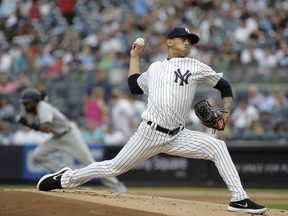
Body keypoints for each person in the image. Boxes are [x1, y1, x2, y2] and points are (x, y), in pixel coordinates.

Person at [37, 27, 266, 214]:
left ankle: (239, 199)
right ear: (169, 42)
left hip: (178, 135)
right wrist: (134, 57)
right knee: (114, 168)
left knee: (218, 146)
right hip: (150, 132)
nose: (187, 43)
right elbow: (134, 86)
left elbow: (224, 85)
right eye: (182, 38)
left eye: (190, 40)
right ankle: (65, 178)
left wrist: (226, 112)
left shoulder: (195, 65)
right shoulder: (155, 68)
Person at [17, 88, 127, 193]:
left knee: (90, 163)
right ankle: (63, 173)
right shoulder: (37, 108)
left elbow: (46, 128)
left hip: (69, 135)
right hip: (56, 137)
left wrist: (29, 125)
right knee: (37, 155)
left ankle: (118, 188)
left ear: (34, 100)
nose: (25, 105)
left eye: (27, 102)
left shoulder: (42, 106)